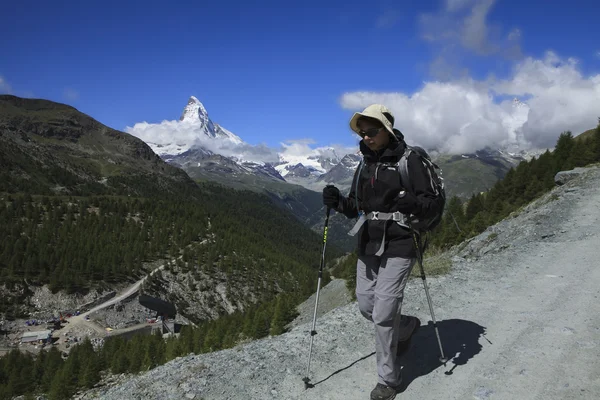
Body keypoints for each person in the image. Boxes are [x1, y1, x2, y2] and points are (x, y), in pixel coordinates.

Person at [322, 104, 441, 400]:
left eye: (371, 132)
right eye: (362, 133)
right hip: (368, 242)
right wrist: (338, 202)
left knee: (384, 312)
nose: (366, 138)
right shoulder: (364, 164)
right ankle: (408, 327)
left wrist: (411, 203)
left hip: (401, 242)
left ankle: (388, 379)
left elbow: (432, 204)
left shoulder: (410, 160)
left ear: (387, 130)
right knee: (367, 306)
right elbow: (356, 207)